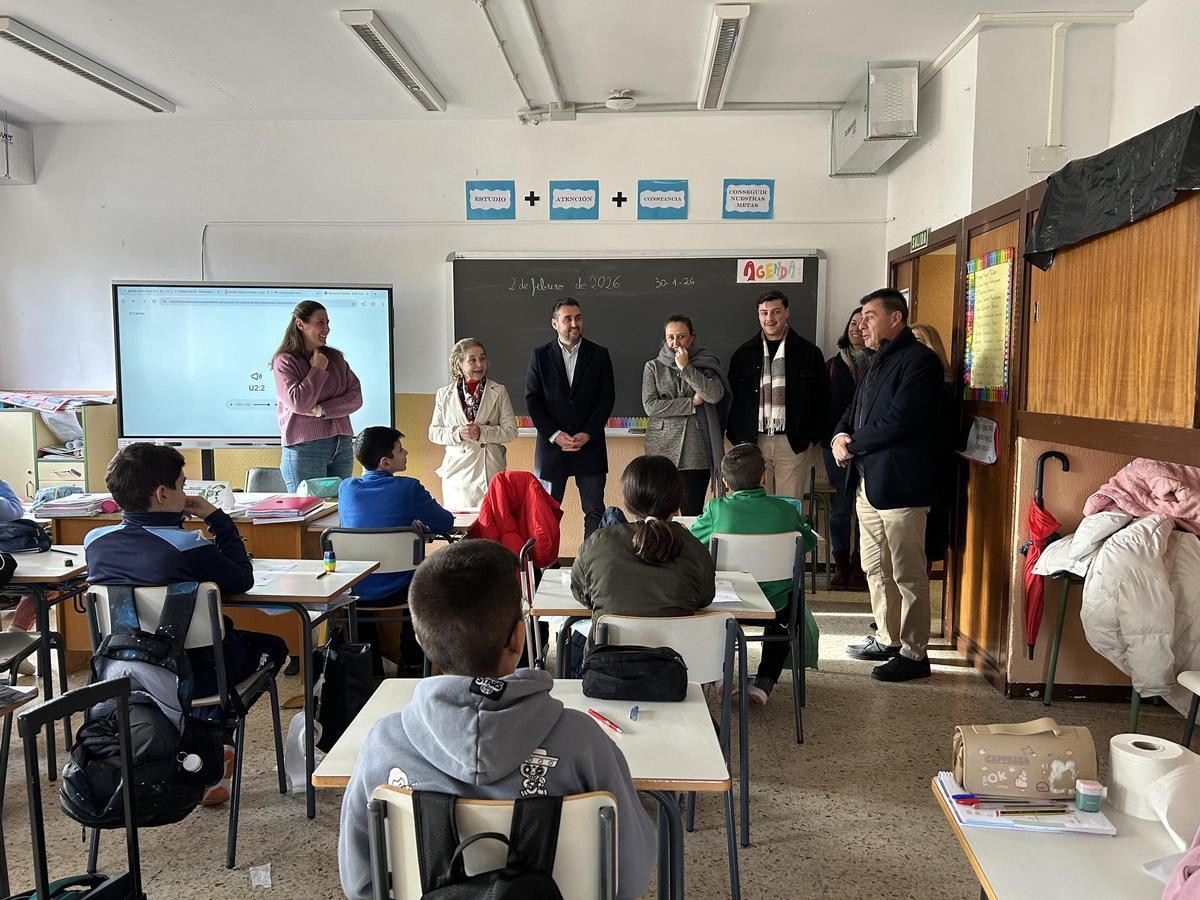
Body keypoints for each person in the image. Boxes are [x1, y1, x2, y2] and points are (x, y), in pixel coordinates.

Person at [337, 539, 655, 900]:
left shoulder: (384, 743)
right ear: (518, 639)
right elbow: (630, 873)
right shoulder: (584, 741)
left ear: (423, 640)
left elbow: (361, 882)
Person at [84, 443, 288, 804]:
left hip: (124, 673)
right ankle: (211, 739)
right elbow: (242, 579)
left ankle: (201, 742)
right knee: (273, 647)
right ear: (163, 494)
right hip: (195, 674)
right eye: (182, 484)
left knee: (212, 652)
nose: (186, 491)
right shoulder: (188, 546)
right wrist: (218, 519)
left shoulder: (94, 542)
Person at [832, 289, 945, 682]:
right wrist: (839, 437)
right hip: (868, 481)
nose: (862, 323)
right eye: (862, 316)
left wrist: (853, 444)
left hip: (901, 485)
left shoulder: (920, 362)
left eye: (870, 315)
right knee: (875, 567)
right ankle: (887, 637)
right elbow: (854, 410)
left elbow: (900, 421)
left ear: (895, 318)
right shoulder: (877, 359)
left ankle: (915, 654)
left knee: (908, 574)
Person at [689, 443, 818, 705]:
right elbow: (808, 542)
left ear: (725, 482)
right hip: (776, 607)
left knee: (705, 606)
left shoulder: (717, 509)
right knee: (791, 602)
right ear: (764, 477)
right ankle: (764, 682)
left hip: (727, 606)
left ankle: (721, 675)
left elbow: (692, 541)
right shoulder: (786, 511)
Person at [571, 456, 715, 661]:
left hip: (608, 674)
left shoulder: (597, 543)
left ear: (628, 502)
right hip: (678, 673)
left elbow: (582, 595)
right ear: (676, 505)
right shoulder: (695, 549)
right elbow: (705, 598)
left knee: (573, 634)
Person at [338, 426, 454, 675]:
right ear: (385, 462)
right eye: (400, 450)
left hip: (354, 588)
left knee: (361, 594)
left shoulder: (346, 488)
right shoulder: (408, 488)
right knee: (428, 584)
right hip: (399, 589)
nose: (406, 453)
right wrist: (413, 524)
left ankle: (370, 667)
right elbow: (445, 523)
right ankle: (412, 664)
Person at [726, 290, 830, 501]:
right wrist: (739, 440)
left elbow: (823, 399)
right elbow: (732, 400)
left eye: (775, 312)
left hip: (792, 442)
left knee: (789, 508)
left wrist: (810, 438)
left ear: (787, 312)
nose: (769, 318)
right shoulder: (743, 354)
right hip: (754, 443)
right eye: (764, 313)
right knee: (755, 507)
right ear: (758, 315)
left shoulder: (809, 353)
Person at [525, 298, 615, 539]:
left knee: (594, 510)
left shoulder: (599, 354)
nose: (574, 324)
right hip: (553, 447)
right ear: (555, 324)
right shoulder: (540, 355)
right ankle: (548, 567)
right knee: (547, 512)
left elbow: (606, 399)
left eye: (578, 318)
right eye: (567, 319)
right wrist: (555, 435)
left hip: (590, 445)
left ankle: (590, 562)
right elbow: (533, 400)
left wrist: (588, 432)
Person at [641, 315, 731, 515]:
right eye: (670, 337)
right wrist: (691, 403)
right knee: (660, 512)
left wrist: (686, 368)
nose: (675, 343)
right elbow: (651, 406)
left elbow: (714, 395)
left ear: (692, 338)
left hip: (696, 450)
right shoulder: (653, 367)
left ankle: (689, 547)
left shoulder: (706, 364)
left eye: (681, 337)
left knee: (692, 513)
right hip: (661, 450)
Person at [272, 300, 363, 492]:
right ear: (300, 324)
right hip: (305, 447)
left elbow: (355, 397)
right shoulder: (284, 362)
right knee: (306, 511)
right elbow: (299, 403)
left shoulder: (336, 358)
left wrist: (322, 410)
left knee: (339, 509)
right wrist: (317, 370)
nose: (327, 328)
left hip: (343, 444)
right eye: (320, 322)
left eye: (328, 323)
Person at [428, 338, 518, 510]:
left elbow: (511, 431)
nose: (479, 364)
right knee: (462, 529)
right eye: (472, 360)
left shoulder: (498, 391)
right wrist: (458, 433)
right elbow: (434, 432)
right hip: (457, 474)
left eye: (483, 358)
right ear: (459, 363)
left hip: (489, 469)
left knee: (490, 524)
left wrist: (481, 432)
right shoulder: (444, 394)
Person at [823, 309, 871, 590]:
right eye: (852, 323)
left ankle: (860, 566)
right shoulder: (832, 364)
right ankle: (841, 566)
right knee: (841, 506)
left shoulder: (879, 362)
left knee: (865, 506)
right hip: (836, 445)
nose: (856, 328)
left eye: (862, 323)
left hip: (868, 444)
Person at [910, 322, 959, 570]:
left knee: (926, 542)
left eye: (917, 341)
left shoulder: (945, 388)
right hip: (911, 470)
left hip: (933, 470)